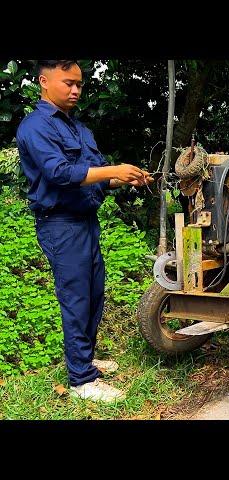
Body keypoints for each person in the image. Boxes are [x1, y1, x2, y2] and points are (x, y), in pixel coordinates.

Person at [15, 60, 153, 403]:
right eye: (68, 83)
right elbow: (61, 173)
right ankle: (82, 381)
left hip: (86, 222)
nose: (76, 90)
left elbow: (92, 177)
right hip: (60, 224)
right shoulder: (35, 127)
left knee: (93, 295)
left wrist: (120, 178)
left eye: (79, 84)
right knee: (76, 300)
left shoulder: (77, 128)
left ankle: (84, 360)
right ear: (44, 82)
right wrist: (112, 168)